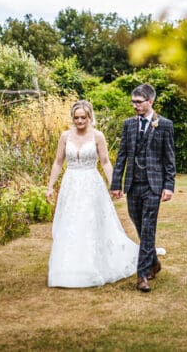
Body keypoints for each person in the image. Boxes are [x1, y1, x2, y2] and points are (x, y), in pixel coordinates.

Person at [46, 100, 138, 288]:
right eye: (76, 117)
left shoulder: (97, 136)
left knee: (89, 221)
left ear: (89, 117)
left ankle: (93, 265)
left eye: (83, 117)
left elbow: (105, 162)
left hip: (91, 183)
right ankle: (67, 267)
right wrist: (50, 186)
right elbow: (58, 162)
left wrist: (114, 184)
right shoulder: (65, 136)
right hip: (70, 184)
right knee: (70, 222)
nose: (80, 121)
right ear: (72, 118)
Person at [111, 83, 177, 293]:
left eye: (138, 102)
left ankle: (142, 275)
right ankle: (154, 261)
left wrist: (169, 185)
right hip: (133, 183)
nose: (134, 106)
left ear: (150, 102)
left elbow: (169, 158)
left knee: (148, 226)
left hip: (153, 184)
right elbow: (121, 156)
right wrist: (116, 184)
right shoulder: (128, 125)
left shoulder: (164, 124)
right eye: (133, 101)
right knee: (138, 222)